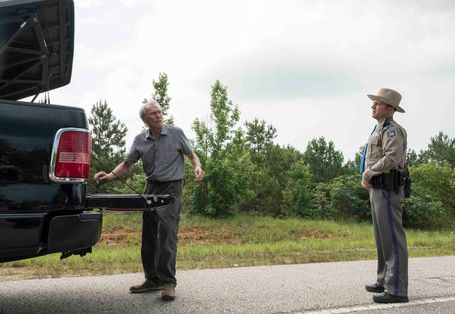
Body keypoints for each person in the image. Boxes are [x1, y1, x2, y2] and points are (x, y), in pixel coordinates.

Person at [94, 100, 204, 301]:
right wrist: (108, 177)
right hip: (151, 187)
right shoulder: (140, 140)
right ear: (145, 120)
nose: (159, 115)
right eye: (153, 113)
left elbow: (192, 155)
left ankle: (168, 282)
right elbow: (126, 164)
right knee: (150, 234)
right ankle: (152, 279)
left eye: (160, 112)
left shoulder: (176, 133)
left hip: (172, 187)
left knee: (168, 234)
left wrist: (197, 166)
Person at [360, 88, 409, 303]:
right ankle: (384, 281)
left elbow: (391, 158)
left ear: (389, 109)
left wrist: (368, 172)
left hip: (388, 189)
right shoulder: (378, 129)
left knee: (392, 239)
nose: (373, 106)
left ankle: (397, 290)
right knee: (382, 239)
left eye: (378, 103)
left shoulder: (392, 130)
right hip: (377, 188)